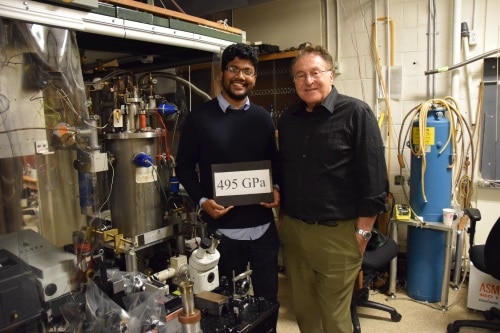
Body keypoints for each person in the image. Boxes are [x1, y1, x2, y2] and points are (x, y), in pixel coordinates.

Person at [277, 45, 388, 333]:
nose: (308, 81)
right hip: (295, 232)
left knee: (335, 318)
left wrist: (363, 231)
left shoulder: (356, 113)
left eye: (315, 73)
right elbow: (285, 170)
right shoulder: (288, 120)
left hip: (338, 234)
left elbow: (375, 180)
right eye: (300, 75)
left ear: (331, 75)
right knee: (305, 312)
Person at [175, 43, 281, 308]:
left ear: (254, 78)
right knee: (223, 306)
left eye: (247, 71)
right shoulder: (198, 119)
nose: (240, 76)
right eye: (233, 69)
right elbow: (184, 167)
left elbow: (274, 161)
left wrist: (276, 187)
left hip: (264, 230)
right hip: (223, 232)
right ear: (221, 73)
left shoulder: (263, 118)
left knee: (267, 303)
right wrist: (202, 202)